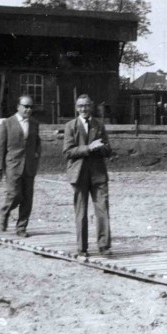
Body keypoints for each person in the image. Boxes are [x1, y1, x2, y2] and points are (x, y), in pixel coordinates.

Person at [63, 94, 113, 257]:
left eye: (86, 105)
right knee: (81, 212)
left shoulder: (99, 125)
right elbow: (68, 152)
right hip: (79, 174)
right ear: (76, 108)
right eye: (80, 106)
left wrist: (101, 148)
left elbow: (108, 150)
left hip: (98, 174)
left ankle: (104, 246)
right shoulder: (70, 126)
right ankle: (82, 248)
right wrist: (89, 148)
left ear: (91, 106)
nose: (84, 109)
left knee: (102, 210)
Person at [0, 95, 42, 238]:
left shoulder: (34, 123)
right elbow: (0, 147)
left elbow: (37, 143)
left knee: (27, 198)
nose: (28, 109)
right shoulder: (7, 123)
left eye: (31, 107)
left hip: (29, 167)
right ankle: (5, 212)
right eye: (26, 106)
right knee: (14, 194)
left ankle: (21, 228)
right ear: (18, 107)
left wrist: (37, 154)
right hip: (13, 166)